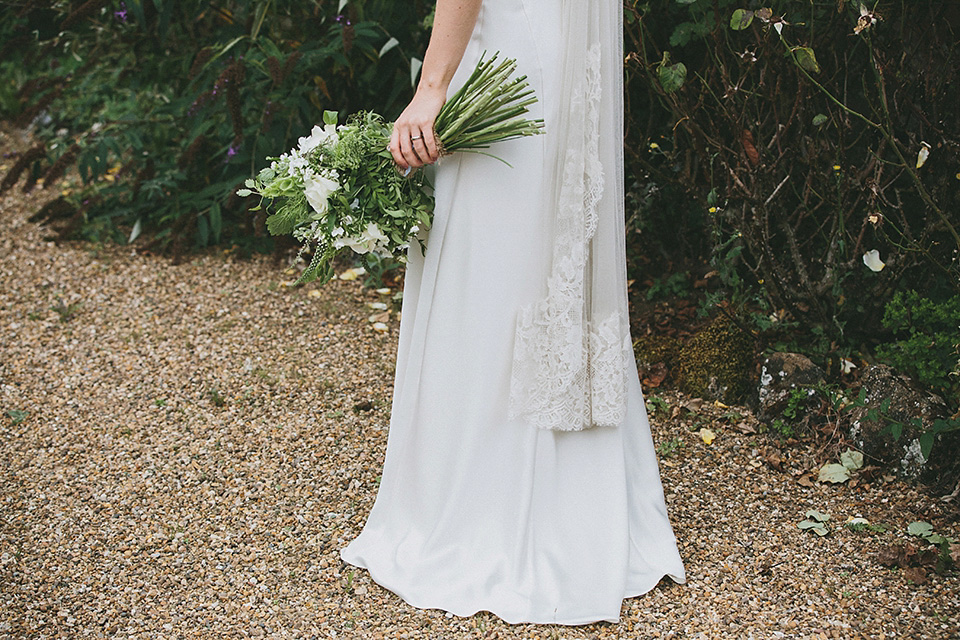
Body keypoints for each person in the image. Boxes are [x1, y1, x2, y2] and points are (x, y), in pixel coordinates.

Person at [341, 0, 685, 625]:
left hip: (504, 66)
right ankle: (578, 511)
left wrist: (432, 88)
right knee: (534, 269)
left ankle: (482, 510)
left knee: (488, 270)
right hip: (554, 63)